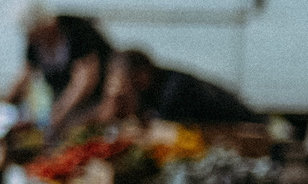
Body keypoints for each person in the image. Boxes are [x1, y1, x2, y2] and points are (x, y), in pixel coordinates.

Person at [9, 3, 111, 134]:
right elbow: (25, 75)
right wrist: (4, 104)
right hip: (66, 103)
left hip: (97, 101)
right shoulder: (35, 43)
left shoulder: (76, 30)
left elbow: (85, 79)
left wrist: (61, 110)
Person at [99, 49, 258, 126]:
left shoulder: (174, 89)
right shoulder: (154, 88)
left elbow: (162, 130)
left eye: (124, 83)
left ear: (142, 76)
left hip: (245, 127)